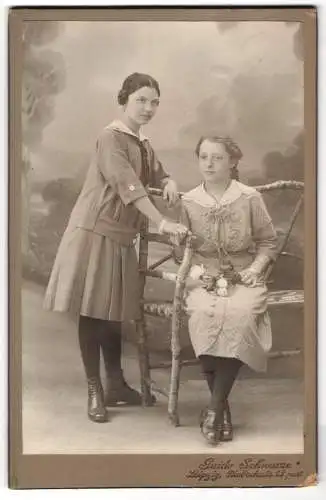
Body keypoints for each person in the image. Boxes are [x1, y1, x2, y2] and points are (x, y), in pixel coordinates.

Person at [43, 73, 188, 423]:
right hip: (95, 232)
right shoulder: (111, 138)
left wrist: (168, 180)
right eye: (141, 100)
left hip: (120, 236)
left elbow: (153, 173)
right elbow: (130, 187)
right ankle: (95, 389)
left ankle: (117, 385)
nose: (149, 108)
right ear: (123, 100)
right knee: (93, 312)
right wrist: (163, 222)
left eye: (154, 102)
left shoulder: (141, 141)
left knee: (112, 312)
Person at [178, 135, 278, 445]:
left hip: (243, 275)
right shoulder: (189, 200)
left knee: (239, 313)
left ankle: (214, 410)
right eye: (204, 157)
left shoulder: (249, 197)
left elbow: (267, 241)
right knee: (203, 314)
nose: (209, 163)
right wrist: (195, 271)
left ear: (233, 162)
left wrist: (253, 270)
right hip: (203, 276)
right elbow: (182, 250)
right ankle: (220, 409)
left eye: (217, 157)